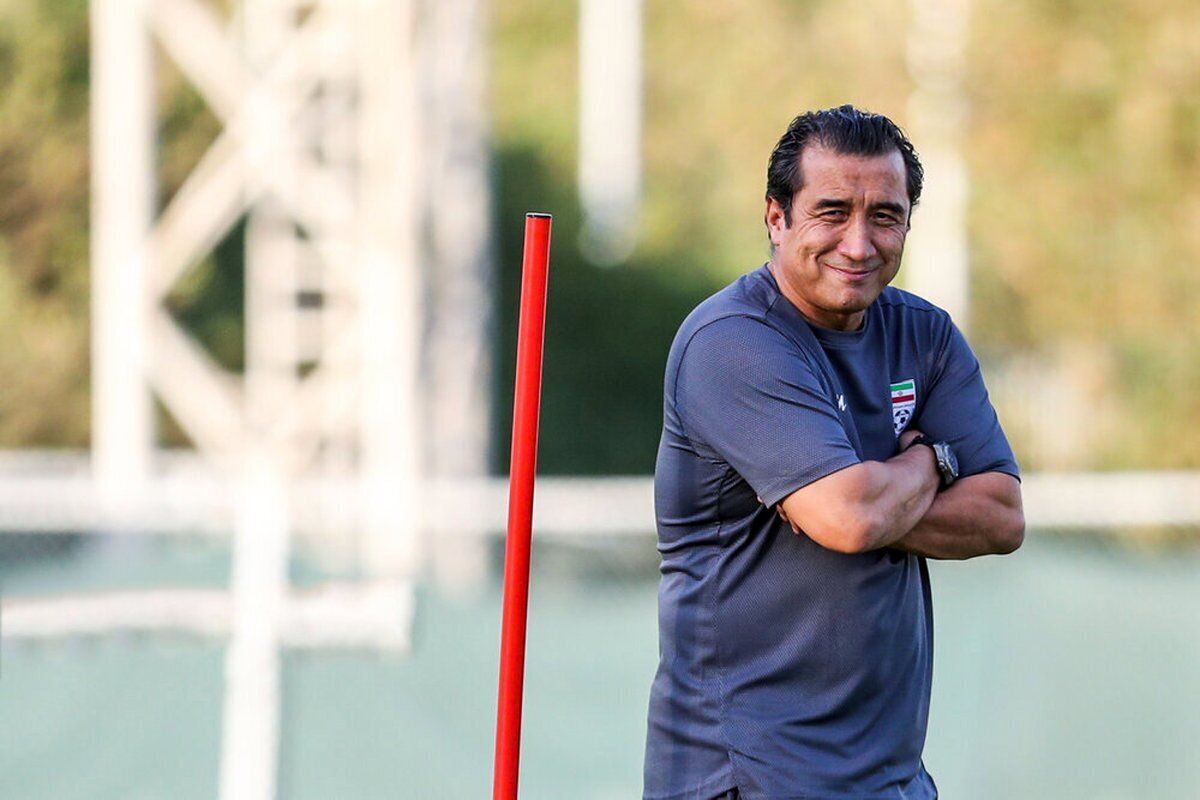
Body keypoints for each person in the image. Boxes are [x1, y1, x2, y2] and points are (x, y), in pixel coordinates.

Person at [643, 105, 1024, 800]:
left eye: (885, 216)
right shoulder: (732, 341)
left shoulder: (925, 335)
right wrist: (930, 463)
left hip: (892, 779)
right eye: (832, 212)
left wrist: (868, 501)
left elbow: (1000, 516)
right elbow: (848, 519)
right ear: (776, 217)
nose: (859, 243)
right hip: (749, 777)